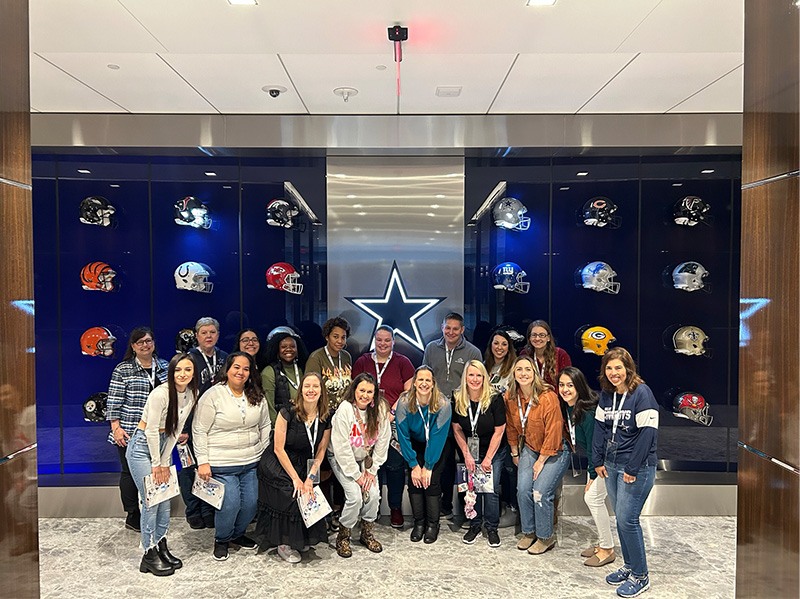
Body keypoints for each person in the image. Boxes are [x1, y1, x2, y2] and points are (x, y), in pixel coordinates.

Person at [193, 352, 272, 562]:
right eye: (237, 367)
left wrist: (264, 454)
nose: (241, 372)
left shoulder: (257, 394)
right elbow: (199, 430)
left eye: (246, 369)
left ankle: (237, 535)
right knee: (230, 505)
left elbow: (265, 425)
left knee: (250, 505)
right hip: (221, 463)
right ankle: (222, 539)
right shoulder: (212, 395)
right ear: (227, 369)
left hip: (251, 461)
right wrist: (203, 461)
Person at [592, 348, 658, 598]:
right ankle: (629, 566)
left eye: (618, 368)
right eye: (609, 368)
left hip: (636, 468)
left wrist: (632, 467)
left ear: (628, 368)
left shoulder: (642, 393)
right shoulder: (607, 395)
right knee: (620, 519)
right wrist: (598, 460)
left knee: (628, 520)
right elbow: (600, 428)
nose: (613, 373)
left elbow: (648, 433)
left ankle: (641, 576)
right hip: (611, 465)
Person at [125, 353, 199, 576]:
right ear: (171, 371)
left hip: (164, 444)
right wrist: (157, 464)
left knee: (165, 499)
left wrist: (166, 461)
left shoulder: (192, 393)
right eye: (178, 370)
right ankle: (148, 554)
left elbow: (175, 431)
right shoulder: (160, 394)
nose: (182, 374)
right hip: (142, 447)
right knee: (152, 500)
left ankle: (161, 545)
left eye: (187, 369)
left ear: (193, 372)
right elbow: (150, 430)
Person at [255, 372, 332, 563]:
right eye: (307, 386)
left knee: (309, 493)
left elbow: (321, 451)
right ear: (300, 390)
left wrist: (310, 478)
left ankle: (302, 539)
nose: (311, 390)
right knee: (292, 492)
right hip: (279, 462)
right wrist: (297, 480)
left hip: (305, 463)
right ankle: (284, 543)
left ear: (321, 391)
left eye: (315, 386)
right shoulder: (287, 412)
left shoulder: (326, 416)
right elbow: (278, 449)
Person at [505, 355, 570, 555]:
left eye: (527, 369)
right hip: (530, 448)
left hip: (555, 449)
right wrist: (515, 452)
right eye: (519, 370)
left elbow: (554, 431)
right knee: (523, 489)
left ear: (534, 373)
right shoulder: (510, 397)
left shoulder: (547, 397)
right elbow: (512, 428)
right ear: (514, 374)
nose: (523, 374)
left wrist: (540, 462)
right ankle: (529, 532)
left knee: (540, 492)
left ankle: (545, 537)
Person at [106, 327, 169, 532]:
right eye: (140, 342)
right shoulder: (123, 369)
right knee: (129, 473)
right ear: (133, 346)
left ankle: (155, 509)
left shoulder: (164, 367)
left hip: (159, 432)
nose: (145, 345)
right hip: (131, 431)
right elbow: (114, 402)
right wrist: (116, 428)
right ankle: (133, 514)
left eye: (148, 341)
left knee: (156, 471)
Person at [351, 325, 414, 528]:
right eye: (379, 340)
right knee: (369, 465)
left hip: (392, 422)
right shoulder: (362, 361)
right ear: (374, 340)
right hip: (366, 423)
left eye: (387, 340)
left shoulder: (402, 362)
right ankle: (372, 507)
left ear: (393, 341)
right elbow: (355, 390)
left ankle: (395, 507)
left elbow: (408, 391)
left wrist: (392, 412)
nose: (383, 344)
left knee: (395, 466)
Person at [422, 312, 482, 519]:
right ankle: (444, 504)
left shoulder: (473, 352)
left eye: (455, 328)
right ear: (442, 327)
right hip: (437, 412)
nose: (451, 332)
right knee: (442, 460)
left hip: (463, 412)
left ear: (463, 330)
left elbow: (477, 382)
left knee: (466, 460)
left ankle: (468, 509)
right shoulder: (431, 348)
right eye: (448, 328)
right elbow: (425, 378)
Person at [557, 366, 616, 567]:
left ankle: (607, 549)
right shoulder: (570, 407)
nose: (565, 389)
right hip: (599, 460)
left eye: (570, 385)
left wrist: (591, 476)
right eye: (562, 385)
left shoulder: (588, 411)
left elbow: (594, 447)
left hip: (608, 461)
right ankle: (603, 544)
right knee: (594, 499)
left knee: (592, 497)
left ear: (579, 386)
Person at [329, 373, 391, 557]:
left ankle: (367, 532)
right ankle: (344, 535)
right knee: (355, 496)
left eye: (369, 391)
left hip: (366, 459)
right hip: (343, 459)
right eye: (361, 390)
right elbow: (341, 447)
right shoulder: (345, 409)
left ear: (375, 393)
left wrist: (371, 471)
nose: (365, 395)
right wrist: (357, 476)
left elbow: (383, 441)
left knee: (373, 494)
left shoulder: (379, 409)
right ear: (354, 390)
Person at [179, 316, 229, 529]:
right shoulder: (188, 360)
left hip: (216, 423)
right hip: (189, 423)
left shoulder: (226, 357)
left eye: (212, 332)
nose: (208, 336)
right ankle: (193, 510)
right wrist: (182, 427)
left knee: (210, 467)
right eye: (204, 333)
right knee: (189, 468)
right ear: (197, 336)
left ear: (218, 334)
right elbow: (180, 394)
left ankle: (209, 508)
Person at [452, 360, 507, 547]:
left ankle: (491, 527)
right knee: (471, 488)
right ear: (465, 377)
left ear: (485, 377)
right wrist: (467, 454)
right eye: (471, 375)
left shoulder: (495, 398)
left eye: (479, 375)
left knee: (490, 490)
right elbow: (457, 428)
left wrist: (489, 458)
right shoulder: (457, 397)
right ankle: (474, 524)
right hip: (470, 449)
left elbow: (500, 430)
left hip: (494, 449)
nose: (475, 379)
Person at [395, 366, 452, 544]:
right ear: (414, 382)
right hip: (414, 444)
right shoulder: (404, 402)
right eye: (420, 380)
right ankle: (419, 524)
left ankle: (432, 525)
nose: (424, 383)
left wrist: (428, 465)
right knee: (415, 480)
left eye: (428, 380)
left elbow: (438, 436)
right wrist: (413, 464)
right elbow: (402, 435)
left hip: (438, 445)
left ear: (433, 383)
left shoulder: (443, 404)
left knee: (431, 479)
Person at [305, 316, 352, 528]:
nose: (340, 341)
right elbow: (310, 389)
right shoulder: (316, 358)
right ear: (327, 336)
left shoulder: (348, 357)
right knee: (324, 467)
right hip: (323, 420)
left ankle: (340, 510)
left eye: (343, 337)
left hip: (344, 422)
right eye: (335, 336)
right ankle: (323, 512)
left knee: (342, 465)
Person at [261, 327, 308, 424]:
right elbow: (269, 407)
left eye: (292, 346)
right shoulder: (269, 372)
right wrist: (277, 428)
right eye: (283, 347)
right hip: (282, 425)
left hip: (304, 422)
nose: (289, 349)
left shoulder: (302, 369)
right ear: (277, 350)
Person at [520, 320, 572, 388]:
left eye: (542, 335)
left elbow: (568, 380)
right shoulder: (524, 354)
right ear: (529, 338)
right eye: (534, 335)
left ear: (548, 338)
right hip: (532, 396)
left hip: (555, 397)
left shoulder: (560, 354)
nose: (537, 338)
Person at [484, 329, 517, 396]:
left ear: (508, 348)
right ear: (491, 345)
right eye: (496, 343)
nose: (499, 347)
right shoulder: (484, 365)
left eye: (504, 344)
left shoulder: (514, 367)